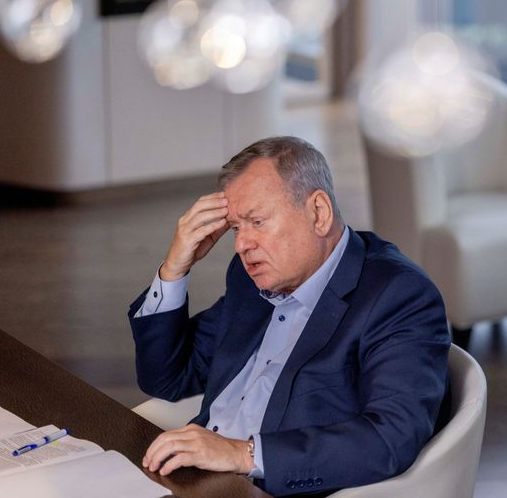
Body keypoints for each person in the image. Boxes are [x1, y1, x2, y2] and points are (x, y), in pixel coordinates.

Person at [128, 136, 450, 496]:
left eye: (257, 221)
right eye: (236, 227)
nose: (241, 245)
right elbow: (168, 378)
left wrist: (242, 454)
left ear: (318, 212)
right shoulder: (250, 278)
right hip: (192, 477)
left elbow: (391, 436)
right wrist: (175, 267)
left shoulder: (399, 295)